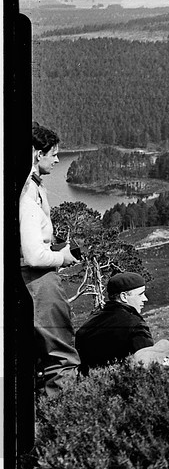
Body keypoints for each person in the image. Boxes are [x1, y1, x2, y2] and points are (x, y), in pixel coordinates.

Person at [20, 123, 81, 397]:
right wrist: (63, 257)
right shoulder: (28, 195)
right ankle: (62, 420)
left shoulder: (26, 187)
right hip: (39, 283)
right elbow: (33, 254)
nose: (57, 160)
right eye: (52, 154)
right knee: (61, 356)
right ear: (37, 154)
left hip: (30, 281)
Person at [75, 272, 154, 374]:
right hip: (121, 385)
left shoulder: (88, 324)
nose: (145, 299)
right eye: (140, 294)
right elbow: (147, 365)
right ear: (124, 297)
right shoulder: (135, 325)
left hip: (88, 385)